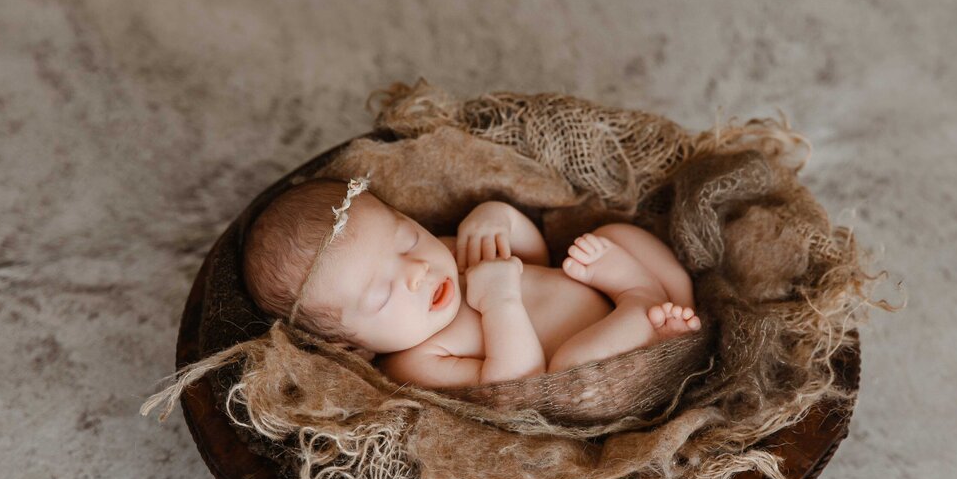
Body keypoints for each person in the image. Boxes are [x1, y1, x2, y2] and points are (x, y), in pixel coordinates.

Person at [242, 177, 700, 389]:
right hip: (608, 369)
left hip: (602, 293)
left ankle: (678, 296)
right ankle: (643, 301)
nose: (416, 270)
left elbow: (535, 256)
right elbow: (518, 385)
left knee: (608, 237)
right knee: (570, 365)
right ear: (351, 348)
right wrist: (500, 302)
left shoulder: (445, 255)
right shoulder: (412, 363)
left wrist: (495, 218)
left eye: (408, 239)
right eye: (382, 294)